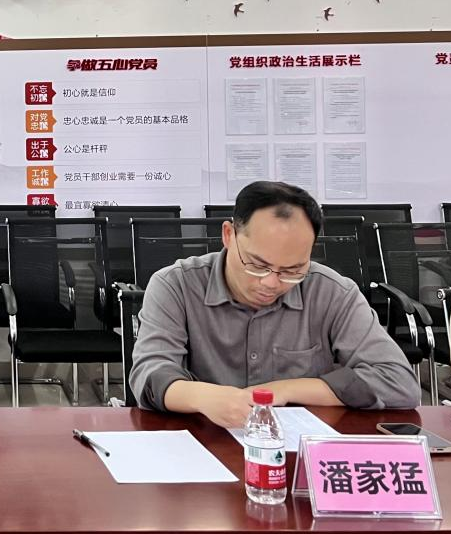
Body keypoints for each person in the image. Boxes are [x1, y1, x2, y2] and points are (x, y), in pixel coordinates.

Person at [129, 180, 419, 428]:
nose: (271, 282)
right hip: (201, 441)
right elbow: (151, 372)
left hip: (297, 450)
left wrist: (284, 390)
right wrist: (204, 397)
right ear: (229, 235)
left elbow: (397, 381)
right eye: (257, 265)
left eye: (292, 270)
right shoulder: (176, 285)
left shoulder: (332, 292)